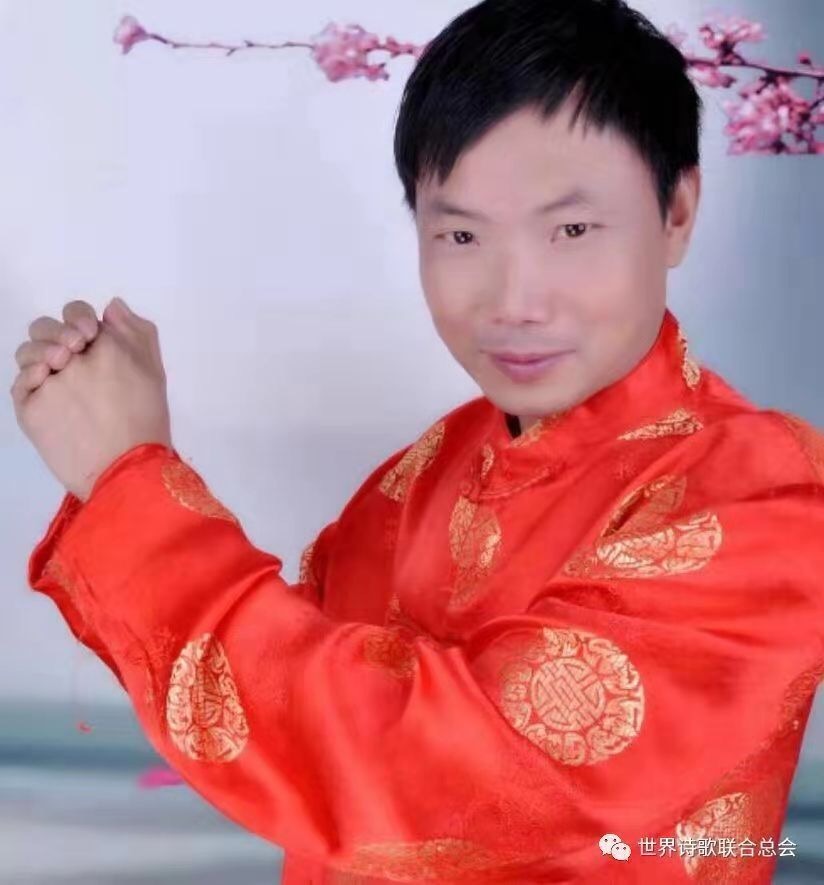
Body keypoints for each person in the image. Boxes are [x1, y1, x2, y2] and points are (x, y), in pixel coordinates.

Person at [11, 0, 824, 882]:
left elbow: (433, 782)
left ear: (677, 213)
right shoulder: (425, 470)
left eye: (572, 230)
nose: (514, 300)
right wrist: (117, 464)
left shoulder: (763, 492)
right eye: (461, 234)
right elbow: (276, 729)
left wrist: (130, 479)